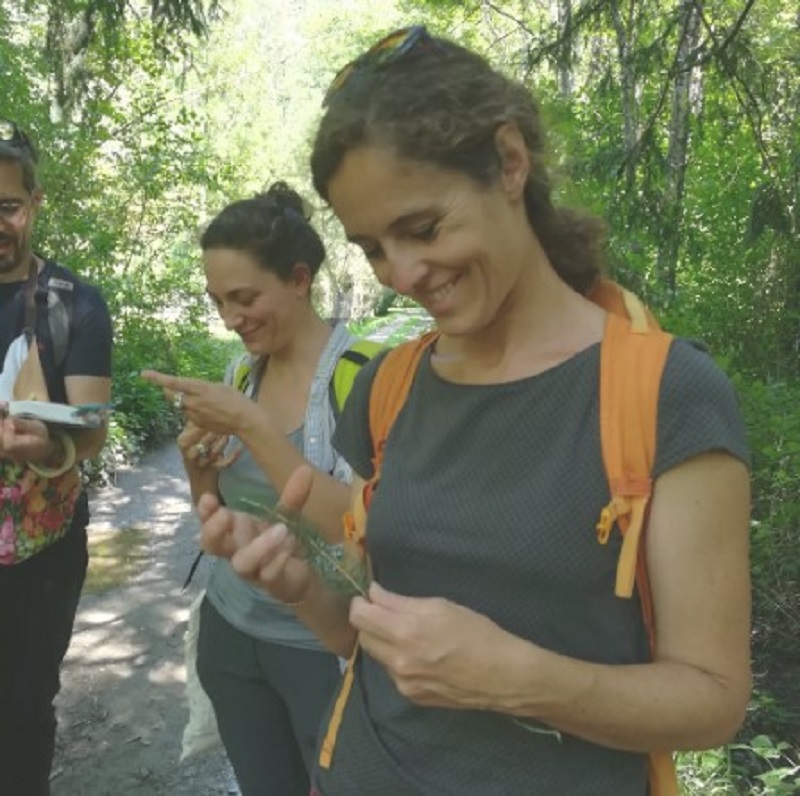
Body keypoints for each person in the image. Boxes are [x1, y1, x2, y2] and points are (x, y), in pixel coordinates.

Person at [196, 27, 752, 796]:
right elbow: (379, 640)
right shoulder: (391, 388)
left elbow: (714, 700)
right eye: (373, 248)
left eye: (423, 228)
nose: (404, 273)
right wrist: (304, 592)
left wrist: (515, 678)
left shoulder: (665, 393)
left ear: (510, 162)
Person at [142, 183, 379, 796]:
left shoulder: (366, 379)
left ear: (299, 279)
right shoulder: (243, 373)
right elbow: (217, 517)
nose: (229, 319)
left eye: (244, 298)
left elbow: (356, 529)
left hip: (320, 649)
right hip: (232, 633)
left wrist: (250, 424)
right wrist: (198, 469)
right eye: (218, 301)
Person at [0, 119, 113, 794]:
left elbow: (92, 425)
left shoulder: (75, 304)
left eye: (7, 206)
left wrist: (52, 446)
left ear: (36, 203)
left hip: (41, 557)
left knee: (21, 706)